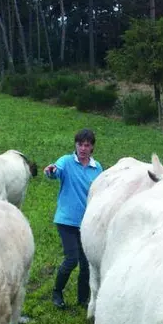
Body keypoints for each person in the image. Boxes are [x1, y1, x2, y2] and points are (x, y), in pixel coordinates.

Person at [44, 128, 103, 309]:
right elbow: (55, 171)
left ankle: (83, 299)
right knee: (72, 259)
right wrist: (51, 170)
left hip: (87, 223)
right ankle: (57, 292)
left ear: (92, 147)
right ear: (75, 145)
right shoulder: (67, 161)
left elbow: (102, 189)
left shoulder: (97, 167)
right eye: (80, 144)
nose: (83, 148)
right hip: (66, 221)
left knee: (86, 264)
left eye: (87, 145)